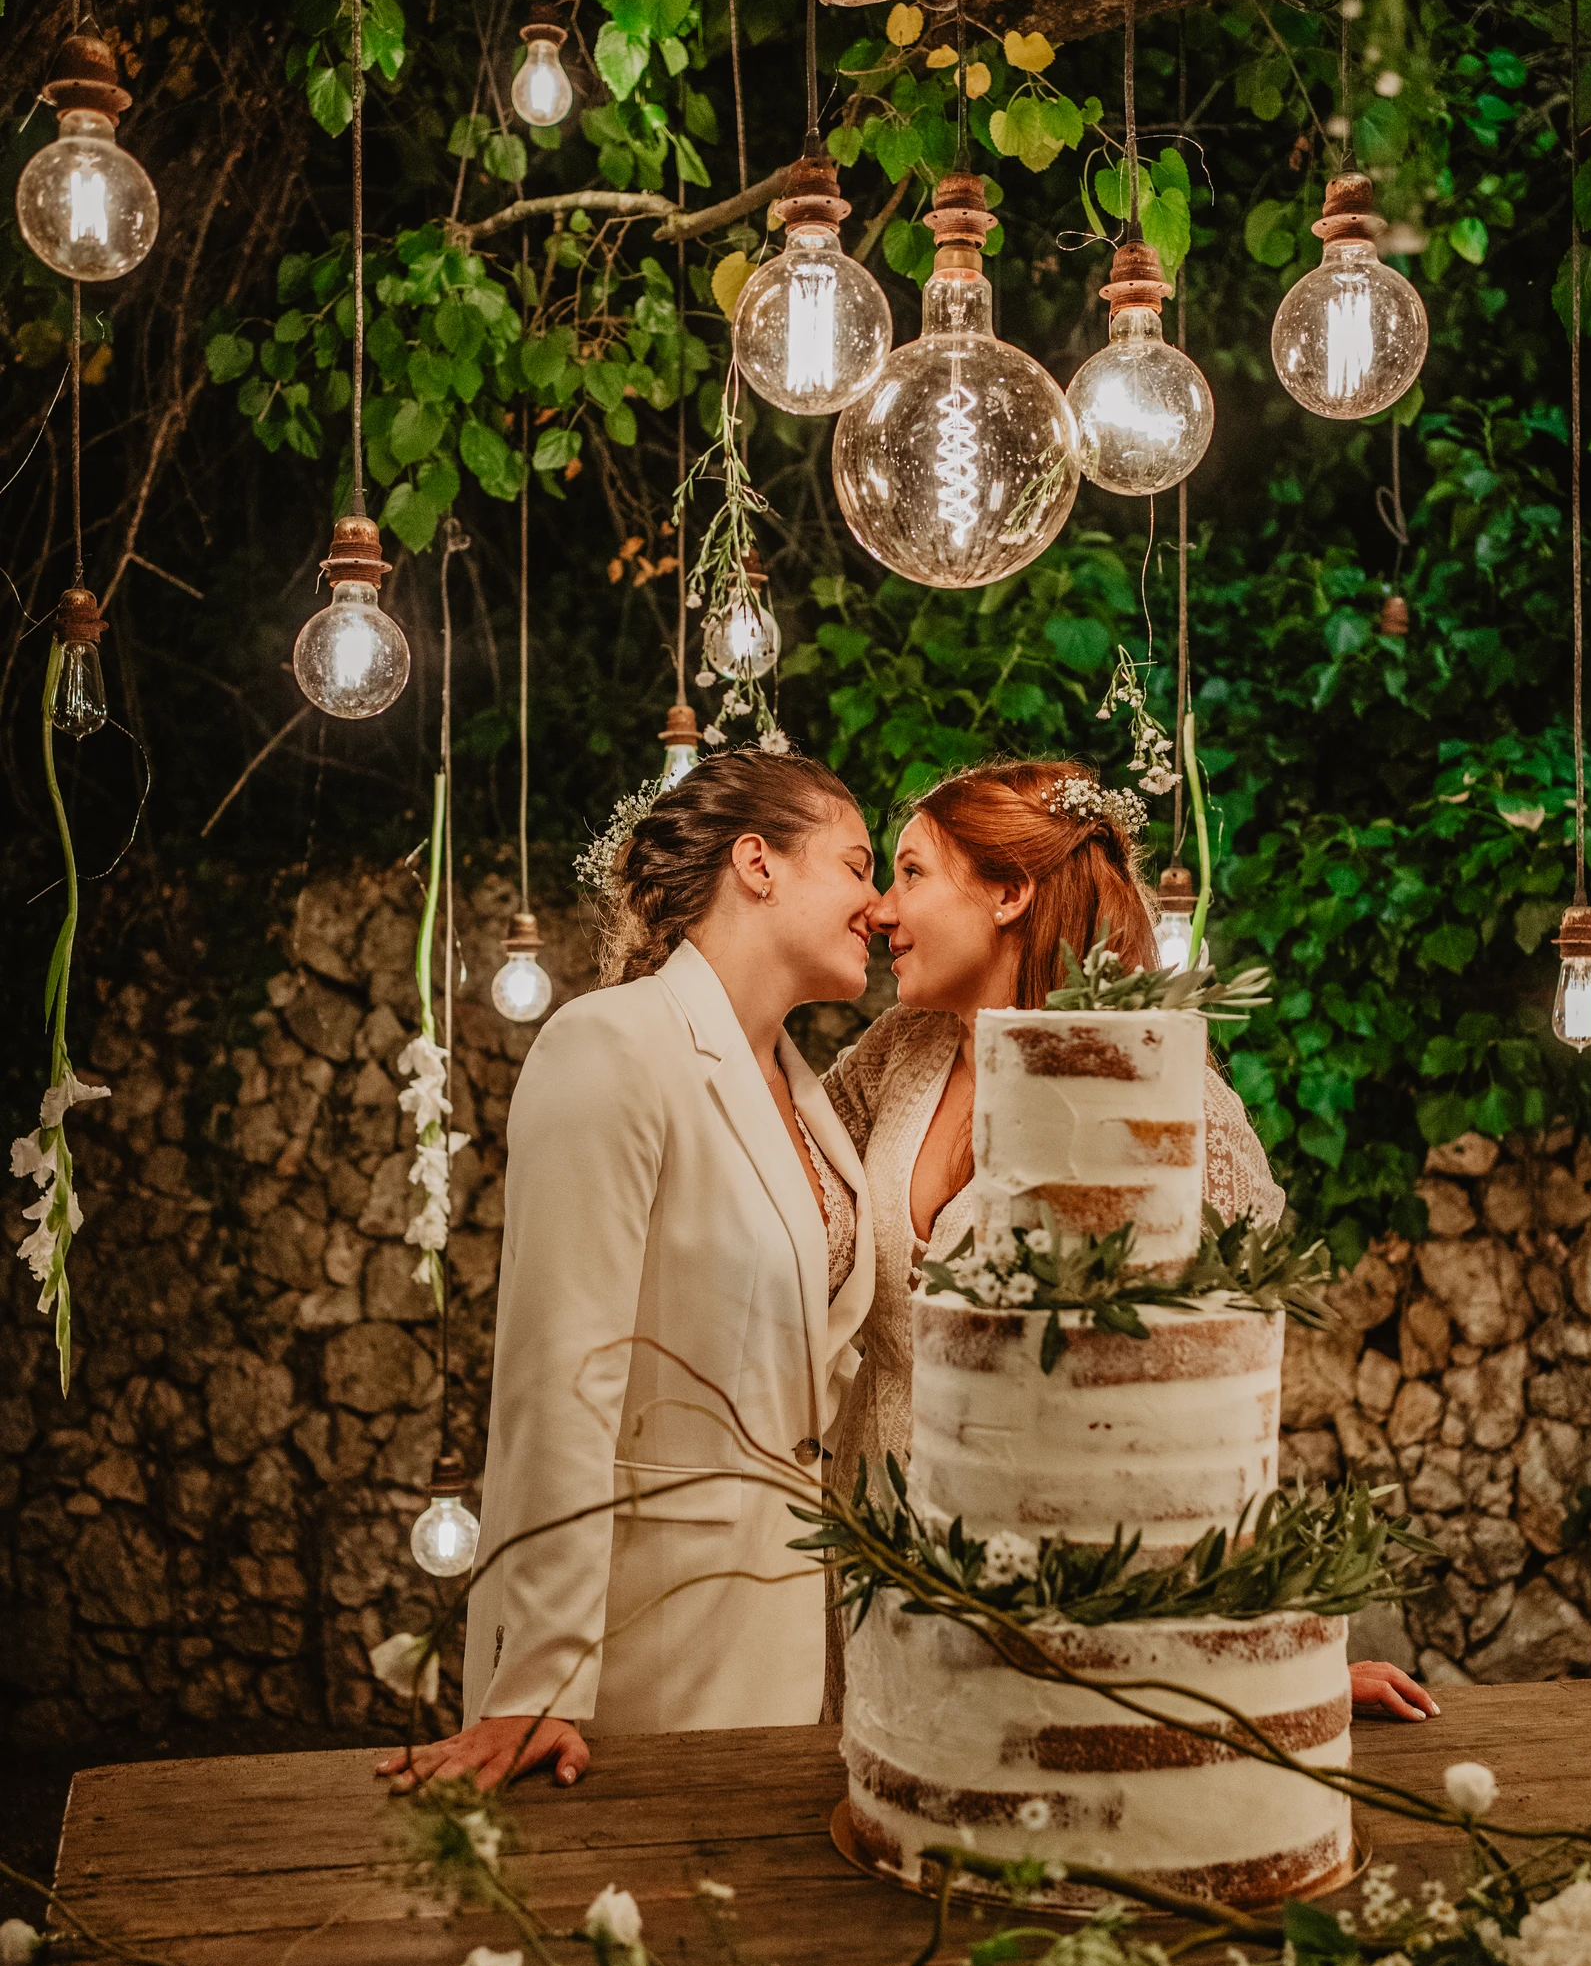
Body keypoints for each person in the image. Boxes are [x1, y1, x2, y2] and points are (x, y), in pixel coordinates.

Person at [822, 756, 1436, 1727]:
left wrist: (1272, 1656)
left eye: (911, 873)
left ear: (1010, 893)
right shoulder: (898, 1053)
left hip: (1055, 1574)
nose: (882, 910)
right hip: (868, 1537)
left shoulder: (1157, 1101)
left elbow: (1200, 1415)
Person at [377, 750, 878, 1796]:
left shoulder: (809, 1095)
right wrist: (542, 1677)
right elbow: (561, 1376)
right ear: (758, 864)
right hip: (643, 1639)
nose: (876, 905)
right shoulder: (611, 1044)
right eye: (857, 865)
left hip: (795, 1618)